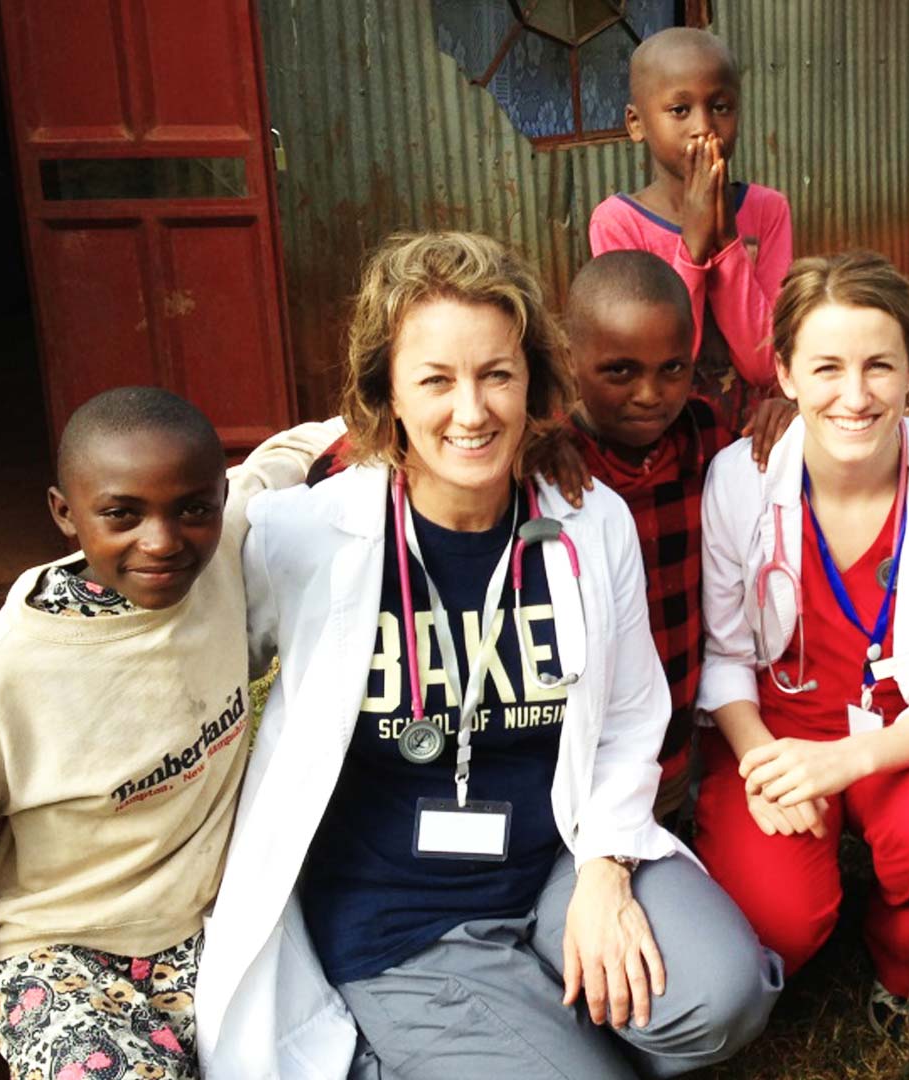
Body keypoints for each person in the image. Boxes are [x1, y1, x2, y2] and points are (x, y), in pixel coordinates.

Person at [192, 232, 780, 1080]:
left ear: (533, 381)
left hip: (554, 860)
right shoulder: (309, 537)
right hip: (402, 918)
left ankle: (517, 1024)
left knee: (722, 997)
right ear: (386, 393)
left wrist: (606, 874)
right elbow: (170, 628)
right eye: (435, 379)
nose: (471, 412)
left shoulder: (586, 520)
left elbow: (626, 716)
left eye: (496, 375)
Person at [0, 388, 338, 1080]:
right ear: (64, 513)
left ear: (220, 498)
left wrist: (394, 410)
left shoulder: (221, 551)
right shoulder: (1, 678)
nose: (161, 540)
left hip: (217, 931)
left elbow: (289, 456)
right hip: (62, 950)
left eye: (192, 508)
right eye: (121, 514)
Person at [695, 250, 909, 1035]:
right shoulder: (737, 482)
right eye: (827, 367)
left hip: (905, 733)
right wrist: (766, 765)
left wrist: (842, 764)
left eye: (879, 365)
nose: (854, 395)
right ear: (783, 372)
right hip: (776, 731)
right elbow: (725, 657)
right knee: (777, 918)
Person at [561, 249, 791, 822]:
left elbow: (770, 433)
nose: (650, 393)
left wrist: (786, 411)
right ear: (570, 361)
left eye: (673, 368)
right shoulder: (549, 461)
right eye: (620, 370)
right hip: (577, 753)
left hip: (677, 738)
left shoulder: (704, 433)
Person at [589, 27, 792, 433]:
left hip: (754, 436)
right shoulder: (618, 223)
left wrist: (729, 243)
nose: (704, 127)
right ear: (636, 122)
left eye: (721, 106)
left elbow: (764, 363)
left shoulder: (767, 209)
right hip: (666, 439)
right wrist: (694, 252)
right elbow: (658, 364)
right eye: (680, 110)